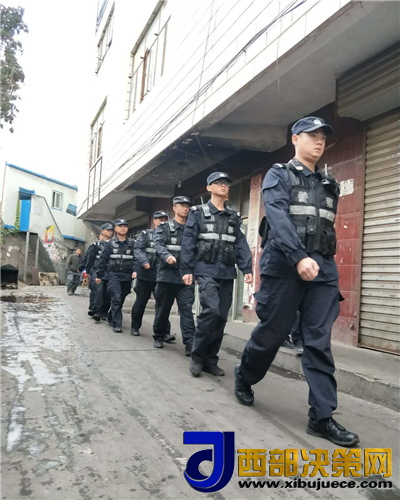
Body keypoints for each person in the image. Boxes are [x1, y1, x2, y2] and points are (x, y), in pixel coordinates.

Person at [234, 116, 359, 447]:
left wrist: (316, 260)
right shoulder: (279, 175)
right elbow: (277, 218)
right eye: (311, 135)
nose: (319, 141)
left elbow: (325, 228)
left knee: (318, 342)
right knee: (272, 334)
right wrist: (298, 256)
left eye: (323, 137)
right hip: (285, 267)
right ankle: (245, 375)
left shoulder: (328, 183)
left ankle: (321, 417)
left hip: (322, 271)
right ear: (295, 139)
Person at [181, 172, 253, 378]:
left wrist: (247, 268)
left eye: (226, 184)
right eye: (218, 183)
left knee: (221, 317)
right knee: (211, 311)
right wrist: (187, 270)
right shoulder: (198, 213)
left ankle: (210, 360)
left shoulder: (233, 216)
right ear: (209, 188)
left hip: (227, 272)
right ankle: (197, 357)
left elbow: (240, 244)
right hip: (205, 270)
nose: (223, 186)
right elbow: (188, 242)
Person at [153, 196, 195, 352]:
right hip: (167, 276)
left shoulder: (193, 228)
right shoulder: (164, 227)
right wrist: (167, 256)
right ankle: (159, 336)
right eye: (181, 205)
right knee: (163, 309)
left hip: (186, 277)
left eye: (187, 206)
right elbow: (158, 244)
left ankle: (190, 343)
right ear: (174, 208)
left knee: (187, 311)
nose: (185, 208)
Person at [131, 211, 174, 342]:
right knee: (141, 302)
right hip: (146, 274)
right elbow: (137, 249)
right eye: (159, 219)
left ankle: (164, 332)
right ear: (154, 221)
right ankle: (135, 327)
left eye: (165, 219)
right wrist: (144, 262)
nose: (162, 222)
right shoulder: (145, 234)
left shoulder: (170, 235)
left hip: (161, 275)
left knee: (162, 305)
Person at [96, 219, 136, 333]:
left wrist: (135, 270)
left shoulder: (132, 243)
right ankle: (117, 324)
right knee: (116, 298)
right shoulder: (110, 243)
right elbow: (103, 260)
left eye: (125, 226)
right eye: (120, 226)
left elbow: (136, 258)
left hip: (127, 276)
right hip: (113, 276)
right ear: (116, 229)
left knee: (121, 299)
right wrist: (99, 275)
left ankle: (111, 315)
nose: (123, 228)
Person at [86, 223, 115, 322]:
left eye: (111, 230)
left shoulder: (114, 244)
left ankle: (104, 312)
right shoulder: (96, 245)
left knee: (107, 292)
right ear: (102, 231)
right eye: (108, 230)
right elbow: (90, 258)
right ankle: (96, 311)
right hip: (97, 270)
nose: (110, 232)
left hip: (109, 271)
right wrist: (88, 270)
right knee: (98, 289)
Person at [79, 236, 103, 316]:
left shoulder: (110, 244)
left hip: (106, 271)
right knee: (95, 287)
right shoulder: (95, 245)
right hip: (94, 269)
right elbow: (88, 256)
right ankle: (94, 308)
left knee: (103, 290)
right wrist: (84, 268)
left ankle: (101, 310)